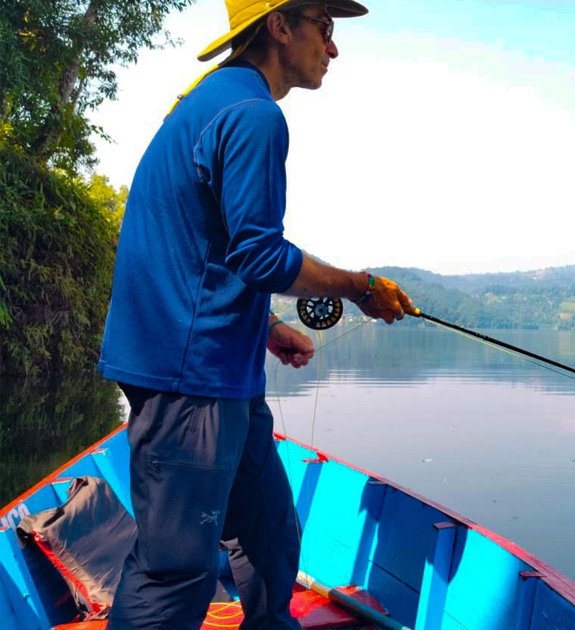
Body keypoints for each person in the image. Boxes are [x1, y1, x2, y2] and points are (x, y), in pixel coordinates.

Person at [97, 1, 414, 628]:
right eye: (324, 27)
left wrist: (265, 328)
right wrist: (360, 286)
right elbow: (260, 253)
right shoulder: (253, 114)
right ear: (280, 26)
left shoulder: (216, 100)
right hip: (190, 380)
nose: (333, 47)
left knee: (267, 527)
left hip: (216, 369)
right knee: (174, 572)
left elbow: (198, 246)